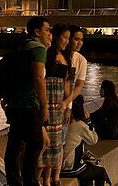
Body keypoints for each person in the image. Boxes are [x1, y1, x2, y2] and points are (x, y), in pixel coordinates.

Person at [4, 16, 51, 186]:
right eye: (47, 30)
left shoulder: (21, 46)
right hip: (29, 104)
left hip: (15, 104)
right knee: (36, 143)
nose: (49, 34)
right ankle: (30, 182)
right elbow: (38, 78)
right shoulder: (38, 48)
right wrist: (44, 105)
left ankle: (14, 182)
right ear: (37, 31)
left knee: (15, 145)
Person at [39, 24, 73, 186]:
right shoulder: (47, 54)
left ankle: (51, 178)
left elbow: (67, 84)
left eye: (68, 38)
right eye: (64, 37)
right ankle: (43, 179)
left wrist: (67, 105)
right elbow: (41, 79)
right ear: (56, 36)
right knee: (45, 142)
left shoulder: (67, 57)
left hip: (59, 103)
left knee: (56, 142)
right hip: (47, 100)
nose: (67, 41)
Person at [61, 96, 109, 186]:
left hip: (58, 168)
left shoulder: (60, 123)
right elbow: (93, 140)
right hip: (70, 168)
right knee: (100, 172)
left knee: (87, 172)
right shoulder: (79, 125)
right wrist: (88, 121)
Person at [69, 25, 88, 96]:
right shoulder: (58, 56)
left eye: (81, 40)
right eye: (76, 39)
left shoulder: (82, 60)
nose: (80, 43)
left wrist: (66, 102)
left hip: (67, 103)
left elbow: (79, 85)